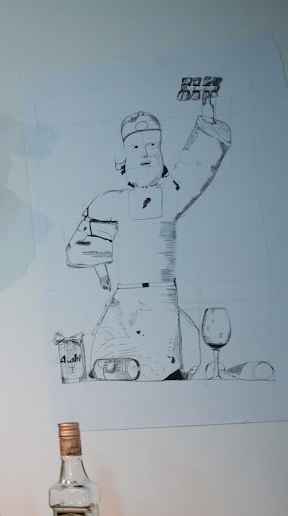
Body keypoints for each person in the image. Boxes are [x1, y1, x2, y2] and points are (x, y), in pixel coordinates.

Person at [66, 95, 231, 381]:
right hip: (125, 302)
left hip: (162, 300)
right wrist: (102, 268)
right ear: (124, 156)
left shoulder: (171, 195)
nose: (145, 153)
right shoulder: (110, 202)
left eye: (152, 146)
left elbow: (194, 168)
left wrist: (208, 121)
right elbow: (79, 249)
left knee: (164, 370)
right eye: (135, 147)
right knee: (110, 367)